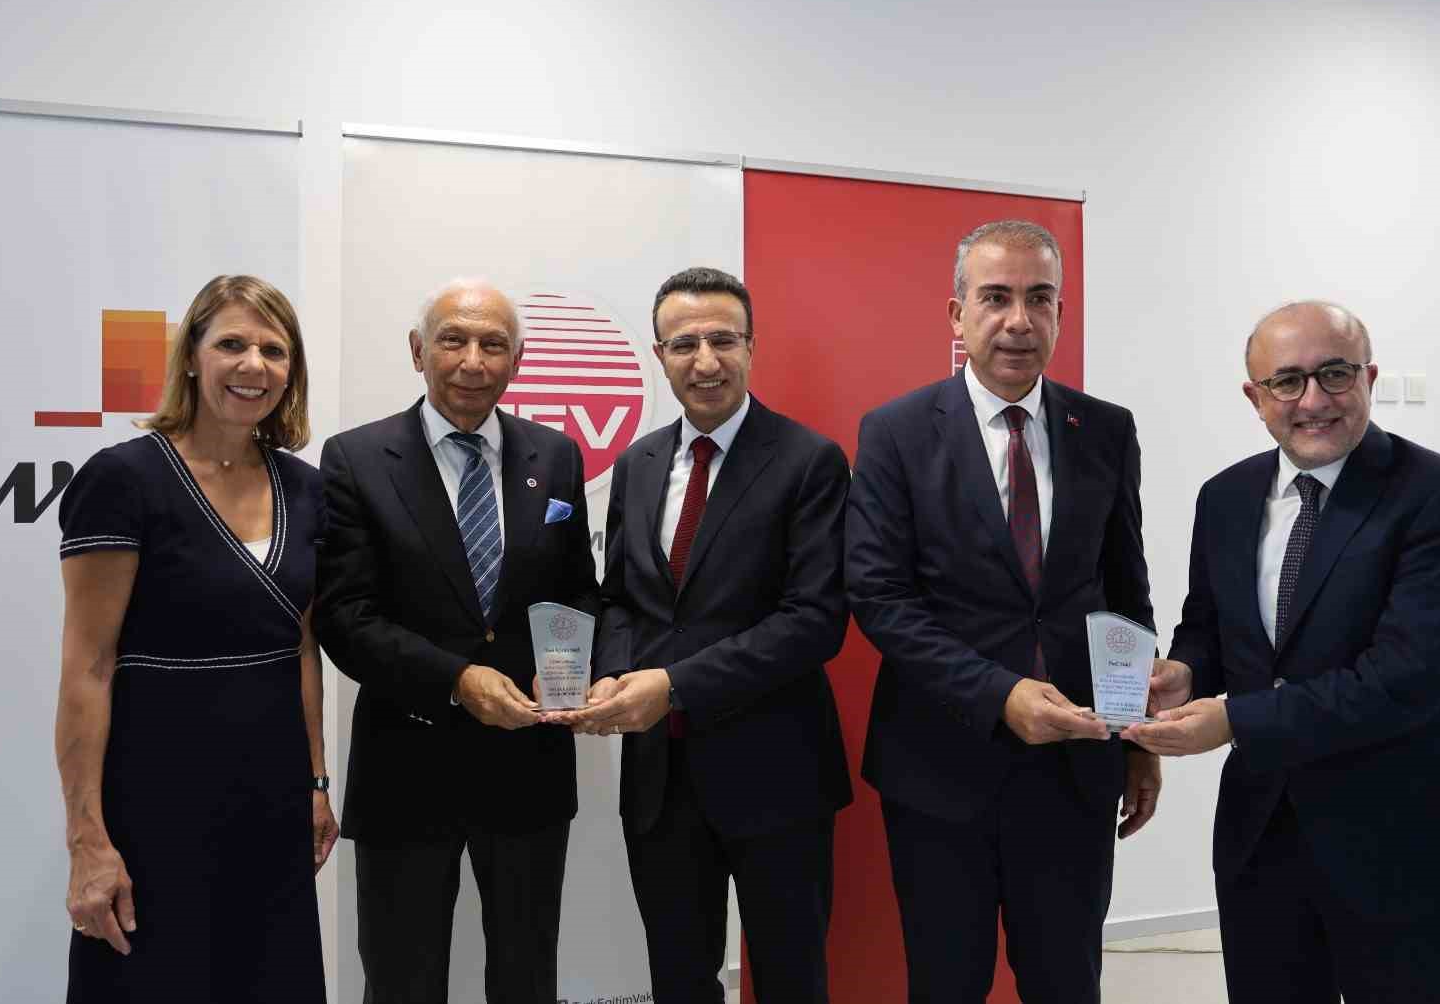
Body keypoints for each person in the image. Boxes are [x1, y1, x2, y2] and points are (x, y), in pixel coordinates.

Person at [1123, 302, 1440, 1004]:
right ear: (1255, 397)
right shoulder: (1225, 497)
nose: (1314, 400)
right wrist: (1185, 673)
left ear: (1369, 377)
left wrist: (1235, 720)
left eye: (1335, 374)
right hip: (1264, 835)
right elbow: (1210, 626)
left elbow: (1406, 678)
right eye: (1288, 381)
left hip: (1402, 839)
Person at [845, 220, 1159, 1003]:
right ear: (958, 315)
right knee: (947, 982)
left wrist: (1136, 735)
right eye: (996, 298)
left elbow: (1125, 593)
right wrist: (1001, 694)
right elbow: (880, 597)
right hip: (939, 766)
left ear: (1060, 313)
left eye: (1039, 298)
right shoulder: (896, 432)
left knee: (1066, 981)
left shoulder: (1106, 429)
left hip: (1075, 771)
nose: (1018, 320)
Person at [556, 266, 852, 1003]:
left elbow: (814, 621)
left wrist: (673, 685)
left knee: (790, 978)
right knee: (679, 979)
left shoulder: (810, 461)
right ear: (659, 355)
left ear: (753, 347)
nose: (706, 360)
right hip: (660, 780)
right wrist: (612, 671)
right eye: (685, 343)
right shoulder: (637, 463)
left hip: (777, 772)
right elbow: (620, 599)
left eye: (724, 339)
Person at [314, 277, 598, 1004]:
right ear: (418, 351)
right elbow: (345, 616)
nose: (473, 361)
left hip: (529, 767)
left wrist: (565, 670)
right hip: (407, 768)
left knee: (527, 978)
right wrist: (456, 680)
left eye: (493, 344)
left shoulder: (556, 456)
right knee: (401, 982)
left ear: (517, 361)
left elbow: (576, 590)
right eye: (453, 340)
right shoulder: (355, 458)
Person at [54, 274, 334, 1003]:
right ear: (190, 357)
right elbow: (88, 668)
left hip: (270, 805)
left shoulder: (306, 489)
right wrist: (87, 838)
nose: (254, 366)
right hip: (154, 806)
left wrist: (315, 783)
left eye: (274, 350)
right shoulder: (122, 479)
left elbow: (301, 648)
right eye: (232, 344)